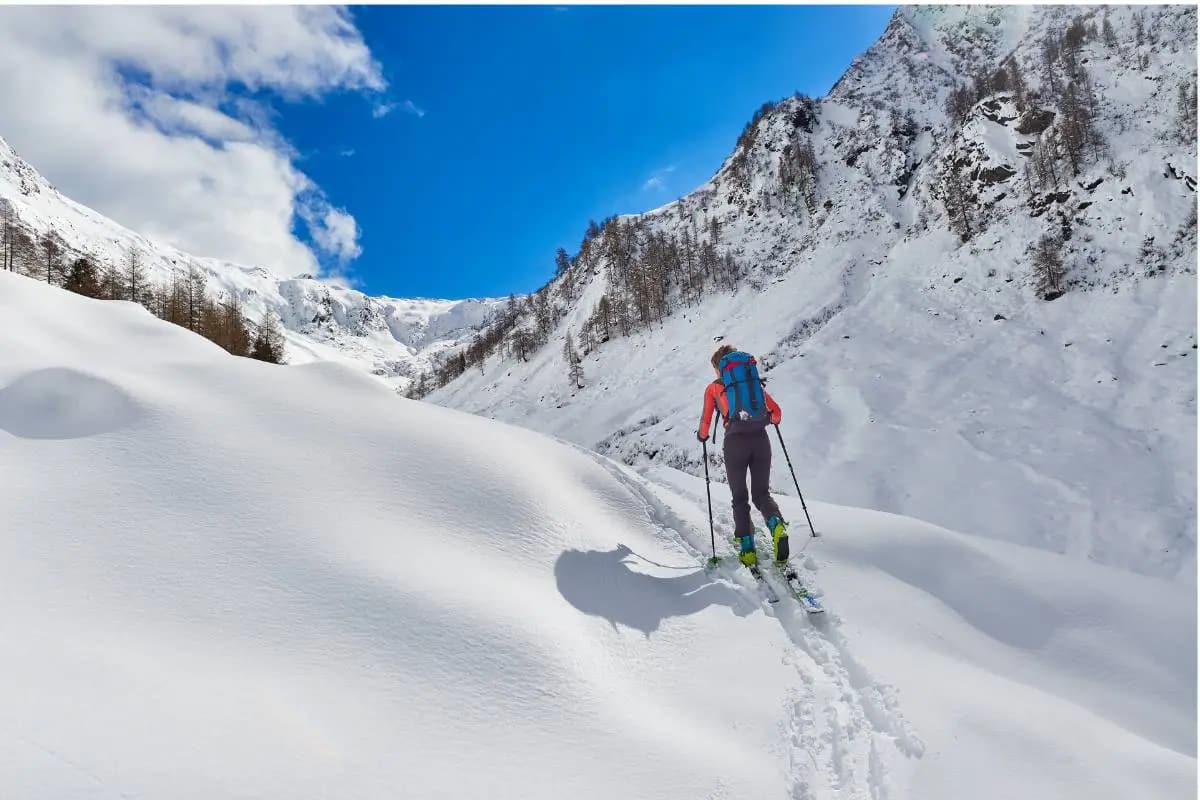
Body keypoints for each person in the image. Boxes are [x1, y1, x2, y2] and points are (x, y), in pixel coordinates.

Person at [697, 344, 788, 567]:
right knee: (761, 494)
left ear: (719, 368)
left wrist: (702, 436)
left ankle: (747, 549)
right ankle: (776, 524)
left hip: (735, 444)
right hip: (760, 440)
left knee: (740, 497)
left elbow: (705, 425)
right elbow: (776, 414)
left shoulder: (713, 389)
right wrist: (766, 420)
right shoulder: (752, 385)